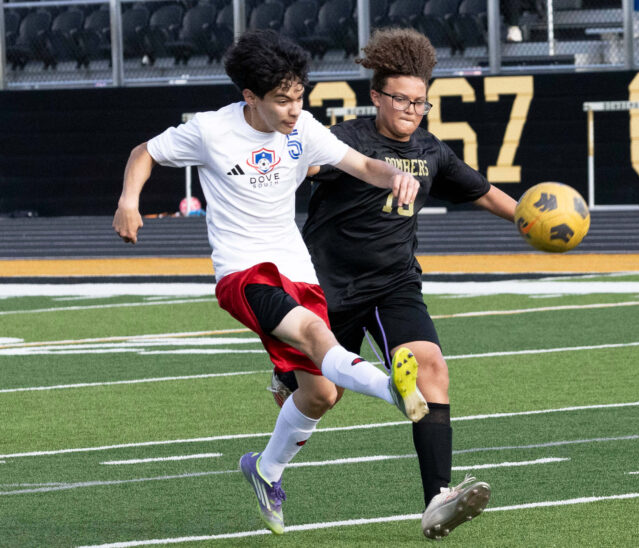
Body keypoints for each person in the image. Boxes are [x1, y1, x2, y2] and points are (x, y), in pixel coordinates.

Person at [112, 29, 430, 536]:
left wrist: (394, 176)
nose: (293, 109)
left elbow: (362, 164)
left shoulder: (303, 127)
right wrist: (130, 202)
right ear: (250, 98)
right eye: (281, 100)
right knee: (312, 335)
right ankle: (391, 386)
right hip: (243, 272)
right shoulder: (210, 131)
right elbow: (143, 152)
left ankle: (265, 471)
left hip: (296, 270)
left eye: (299, 96)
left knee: (321, 394)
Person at [292, 27, 518, 539]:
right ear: (376, 96)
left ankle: (438, 498)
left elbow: (482, 192)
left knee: (432, 365)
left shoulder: (432, 150)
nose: (412, 110)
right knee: (318, 397)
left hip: (394, 284)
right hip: (326, 289)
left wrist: (529, 218)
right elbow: (293, 168)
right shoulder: (344, 141)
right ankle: (287, 387)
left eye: (421, 102)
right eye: (401, 99)